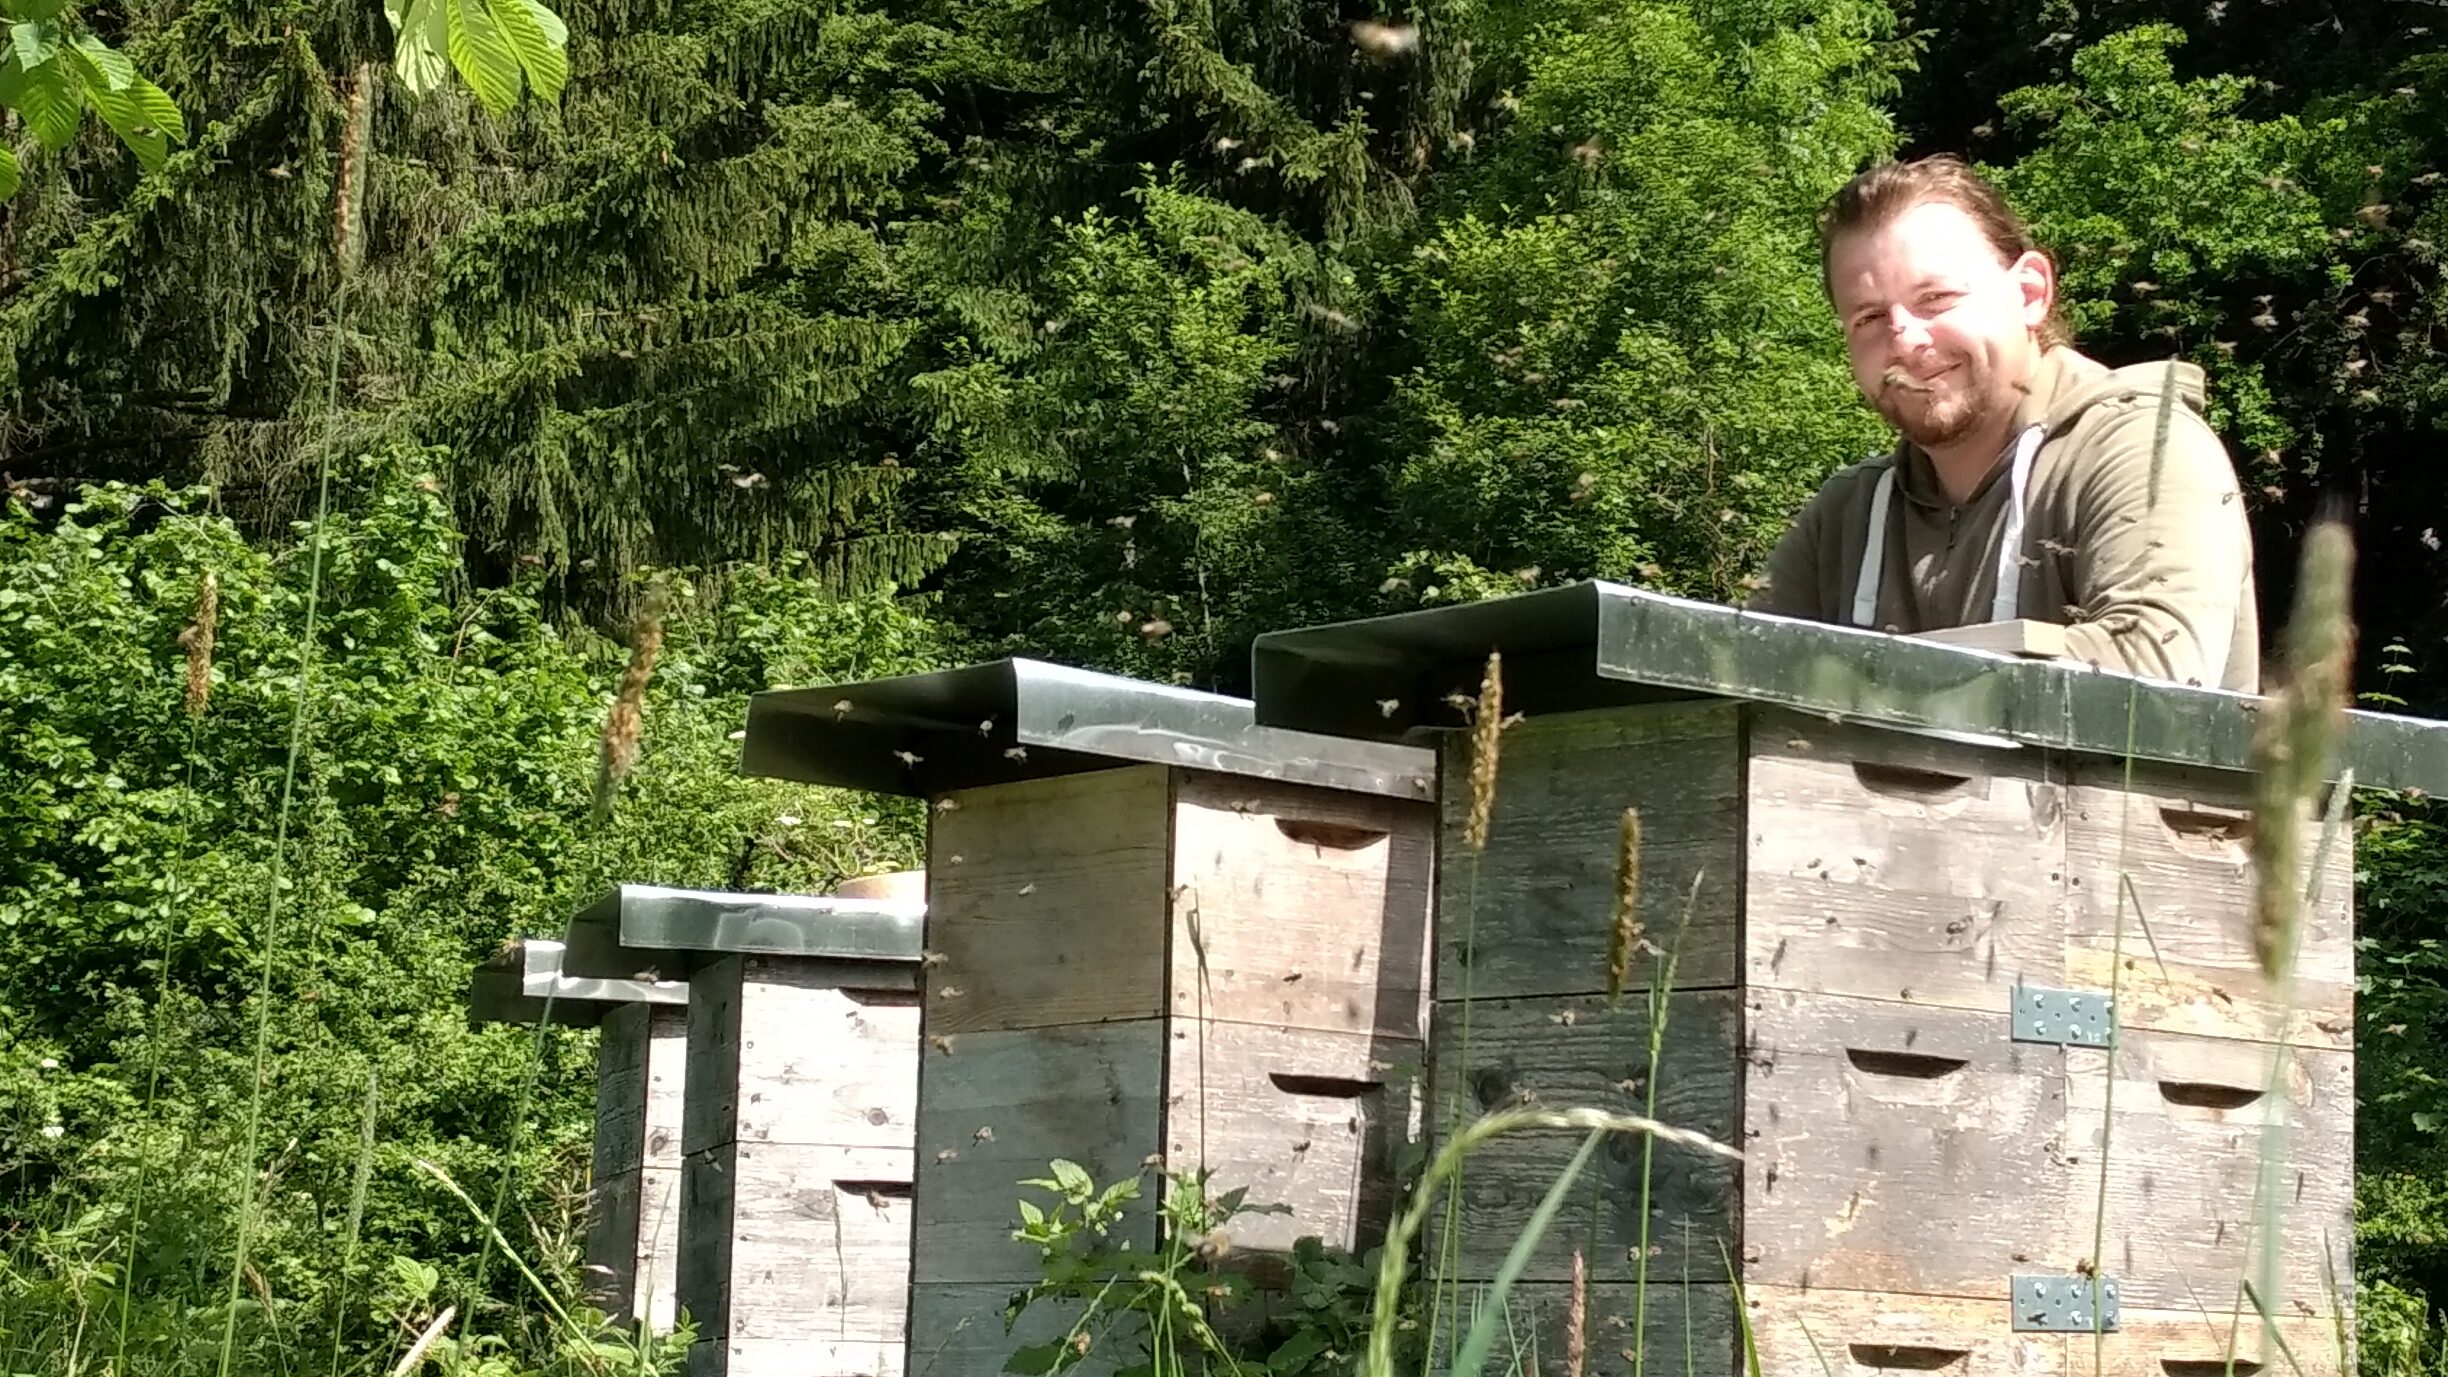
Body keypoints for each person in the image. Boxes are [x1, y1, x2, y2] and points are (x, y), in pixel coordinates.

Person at [1747, 154, 2260, 692]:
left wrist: (1851, 680)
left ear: (2030, 293)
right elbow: (1733, 677)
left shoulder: (2145, 452)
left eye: (1936, 299)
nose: (1905, 341)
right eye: (1870, 318)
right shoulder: (1847, 514)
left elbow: (2153, 675)